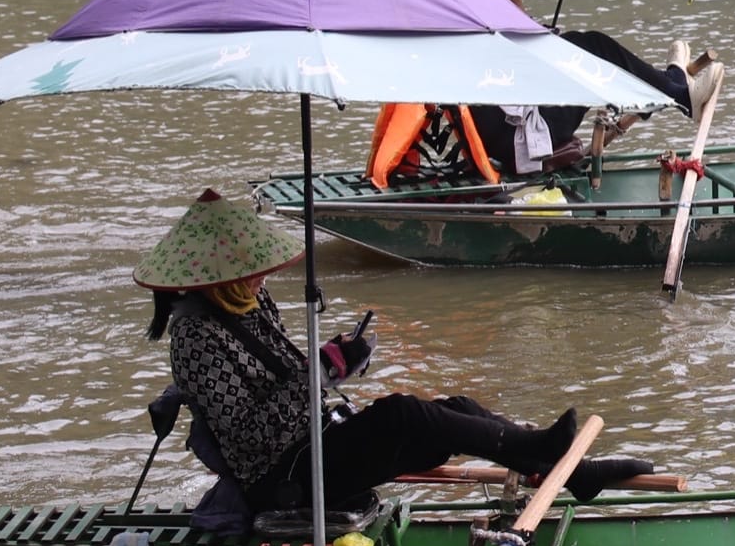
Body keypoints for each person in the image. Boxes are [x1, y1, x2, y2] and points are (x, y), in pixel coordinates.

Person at [138, 190, 655, 515]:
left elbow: (288, 382)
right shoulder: (194, 338)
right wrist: (318, 372)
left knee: (455, 411)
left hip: (317, 439)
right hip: (283, 476)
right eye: (246, 270)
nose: (259, 277)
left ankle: (571, 469)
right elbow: (249, 433)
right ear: (210, 277)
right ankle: (546, 451)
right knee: (403, 415)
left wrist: (338, 361)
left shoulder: (249, 300)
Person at [371, 0, 717, 187]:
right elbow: (537, 54)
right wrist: (512, 6)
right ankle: (679, 94)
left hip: (518, 125)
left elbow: (537, 55)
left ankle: (667, 85)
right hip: (527, 139)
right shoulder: (474, 37)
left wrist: (508, 11)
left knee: (583, 45)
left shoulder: (461, 36)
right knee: (592, 47)